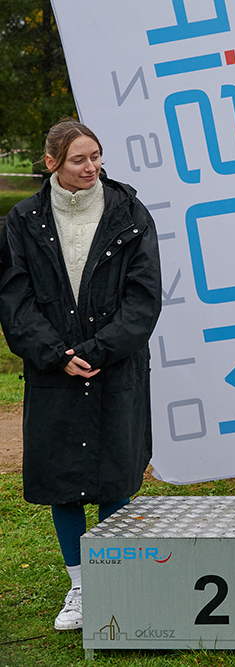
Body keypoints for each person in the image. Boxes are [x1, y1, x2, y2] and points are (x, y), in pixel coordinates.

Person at [0, 120, 162, 631]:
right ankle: (80, 585)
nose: (91, 167)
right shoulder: (22, 219)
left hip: (115, 366)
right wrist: (55, 354)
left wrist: (99, 350)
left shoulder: (129, 212)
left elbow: (144, 297)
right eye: (78, 159)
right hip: (54, 371)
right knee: (62, 480)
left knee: (115, 475)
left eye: (96, 156)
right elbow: (14, 299)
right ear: (52, 163)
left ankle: (114, 581)